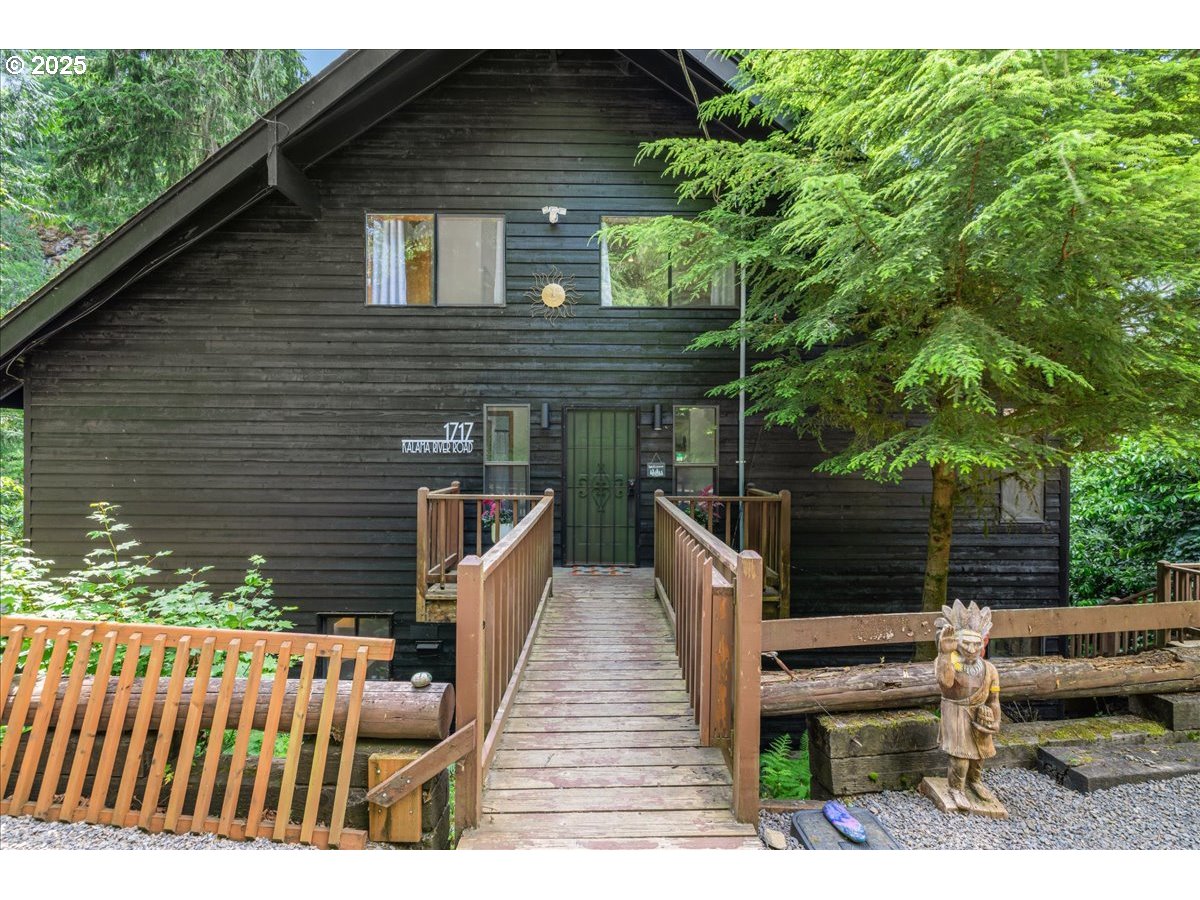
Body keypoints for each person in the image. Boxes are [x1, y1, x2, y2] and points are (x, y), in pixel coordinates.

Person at [934, 599, 1001, 812]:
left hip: (980, 714)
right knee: (961, 756)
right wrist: (944, 654)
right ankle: (956, 788)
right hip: (956, 711)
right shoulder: (949, 662)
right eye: (966, 644)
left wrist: (996, 720)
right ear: (956, 642)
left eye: (977, 644)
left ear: (984, 643)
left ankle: (975, 782)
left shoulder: (989, 668)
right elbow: (945, 685)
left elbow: (994, 699)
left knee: (980, 755)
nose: (972, 649)